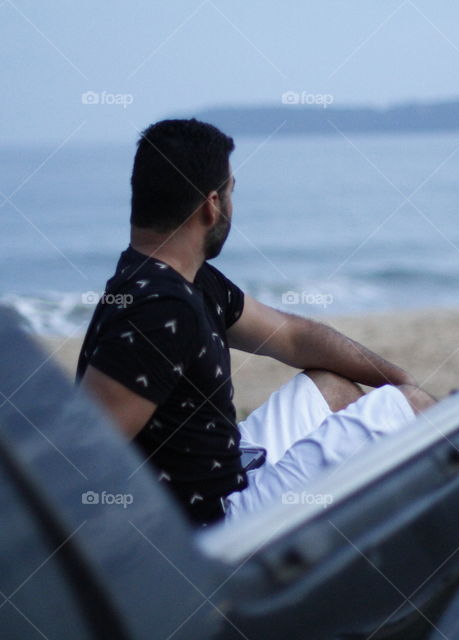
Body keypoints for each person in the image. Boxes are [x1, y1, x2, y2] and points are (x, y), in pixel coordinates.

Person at [76, 118, 436, 526]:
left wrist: (399, 378)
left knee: (333, 387)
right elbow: (86, 457)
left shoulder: (189, 281)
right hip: (217, 525)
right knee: (413, 407)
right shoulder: (159, 311)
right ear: (212, 206)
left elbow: (294, 337)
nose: (233, 206)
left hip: (231, 469)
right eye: (232, 192)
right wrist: (410, 397)